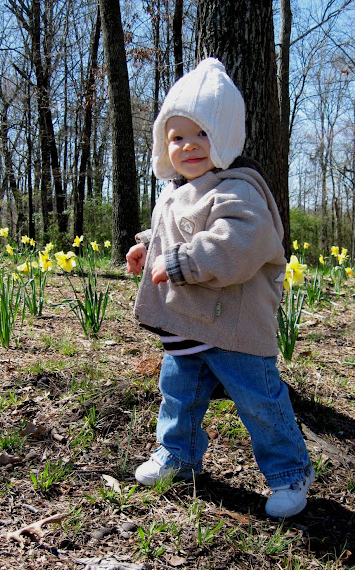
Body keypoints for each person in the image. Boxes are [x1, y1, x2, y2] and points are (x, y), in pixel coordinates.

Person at [126, 58, 314, 518]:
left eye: (203, 134)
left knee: (260, 401)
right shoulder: (176, 191)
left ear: (226, 138)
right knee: (178, 394)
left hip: (235, 329)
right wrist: (149, 248)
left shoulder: (238, 189)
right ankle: (179, 456)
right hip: (189, 325)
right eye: (177, 137)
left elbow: (239, 243)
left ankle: (290, 472)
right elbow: (175, 234)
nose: (188, 146)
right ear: (163, 143)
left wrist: (182, 261)